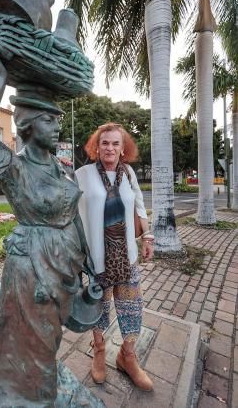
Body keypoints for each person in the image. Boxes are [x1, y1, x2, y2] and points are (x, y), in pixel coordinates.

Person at [0, 35, 95, 407]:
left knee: (47, 346)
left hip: (64, 267)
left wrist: (89, 265)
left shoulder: (62, 169)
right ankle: (23, 396)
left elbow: (72, 217)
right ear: (29, 125)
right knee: (31, 348)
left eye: (58, 118)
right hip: (31, 270)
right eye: (49, 119)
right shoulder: (14, 167)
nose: (57, 125)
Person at [75, 123, 154, 391]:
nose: (110, 147)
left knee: (132, 307)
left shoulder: (129, 173)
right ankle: (99, 350)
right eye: (105, 143)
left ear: (123, 149)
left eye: (115, 143)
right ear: (96, 147)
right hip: (97, 259)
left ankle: (127, 356)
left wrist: (148, 236)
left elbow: (140, 206)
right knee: (99, 307)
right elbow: (69, 213)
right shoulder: (82, 175)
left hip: (127, 257)